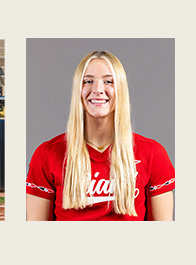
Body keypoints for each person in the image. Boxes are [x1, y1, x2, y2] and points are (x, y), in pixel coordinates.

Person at [26, 51, 175, 221]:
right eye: (88, 81)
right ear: (77, 89)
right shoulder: (46, 154)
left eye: (108, 82)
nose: (98, 90)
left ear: (120, 89)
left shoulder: (153, 154)